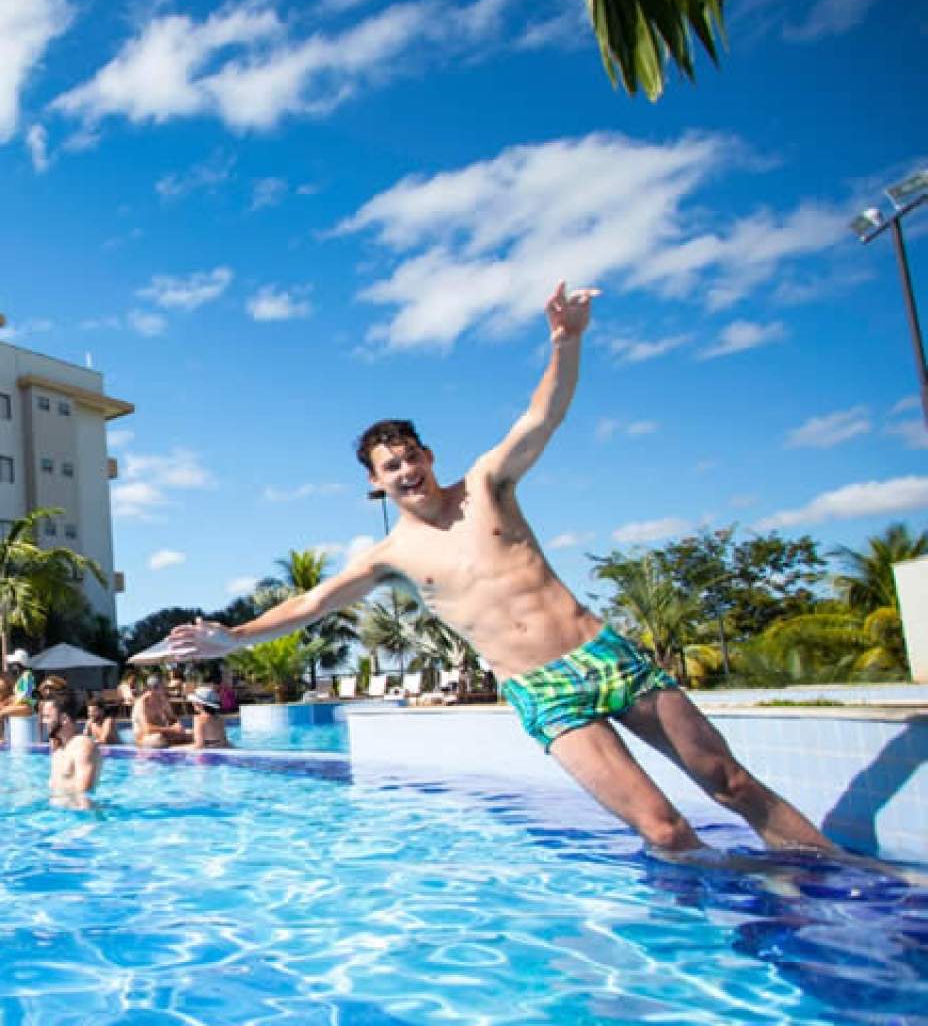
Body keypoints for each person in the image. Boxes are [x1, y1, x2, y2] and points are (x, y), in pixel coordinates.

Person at [169, 282, 836, 857]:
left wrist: (566, 342)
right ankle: (732, 921)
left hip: (602, 654)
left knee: (730, 783)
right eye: (391, 467)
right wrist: (235, 636)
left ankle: (836, 880)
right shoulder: (388, 556)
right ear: (376, 484)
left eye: (411, 456)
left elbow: (542, 417)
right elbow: (310, 604)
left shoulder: (487, 485)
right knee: (661, 829)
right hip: (542, 692)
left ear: (429, 455)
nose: (406, 470)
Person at [41, 693, 101, 810]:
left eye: (48, 717)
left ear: (64, 719)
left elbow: (84, 795)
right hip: (58, 815)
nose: (44, 721)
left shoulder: (82, 745)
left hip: (75, 817)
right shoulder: (58, 750)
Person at [131, 675, 188, 749]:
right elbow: (147, 729)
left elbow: (172, 718)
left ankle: (174, 745)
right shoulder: (141, 704)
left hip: (164, 734)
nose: (165, 690)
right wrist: (171, 729)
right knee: (158, 739)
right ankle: (173, 745)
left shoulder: (162, 700)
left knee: (191, 734)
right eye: (163, 688)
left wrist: (178, 725)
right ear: (152, 689)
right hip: (144, 737)